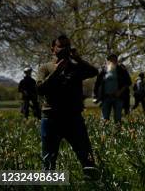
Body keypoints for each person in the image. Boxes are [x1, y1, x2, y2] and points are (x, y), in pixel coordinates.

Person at [36, 35, 99, 177]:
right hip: (51, 118)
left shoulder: (76, 67)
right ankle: (49, 185)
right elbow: (40, 89)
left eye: (67, 46)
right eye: (60, 46)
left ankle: (92, 182)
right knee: (48, 159)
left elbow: (94, 72)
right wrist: (56, 72)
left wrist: (78, 59)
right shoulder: (45, 67)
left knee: (86, 155)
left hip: (73, 118)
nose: (64, 49)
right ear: (53, 49)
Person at [93, 54, 132, 123]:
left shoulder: (121, 69)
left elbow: (128, 82)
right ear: (107, 61)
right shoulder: (103, 70)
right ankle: (105, 133)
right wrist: (95, 96)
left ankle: (117, 132)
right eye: (110, 60)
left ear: (116, 61)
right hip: (106, 97)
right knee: (104, 119)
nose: (112, 61)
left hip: (118, 98)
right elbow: (97, 83)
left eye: (114, 59)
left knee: (118, 119)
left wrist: (120, 91)